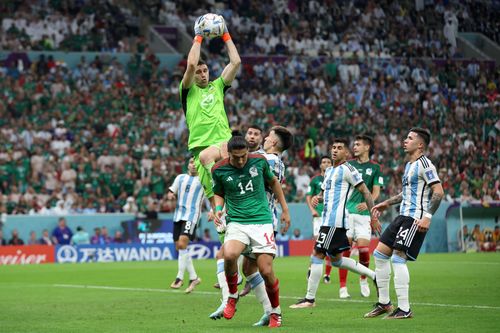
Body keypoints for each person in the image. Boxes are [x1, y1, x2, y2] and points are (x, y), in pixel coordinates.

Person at [290, 138, 380, 309]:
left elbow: (366, 192)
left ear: (346, 153)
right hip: (327, 221)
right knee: (337, 260)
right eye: (333, 147)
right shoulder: (330, 171)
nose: (335, 150)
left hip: (334, 222)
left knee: (317, 255)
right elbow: (325, 192)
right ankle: (374, 276)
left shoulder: (348, 169)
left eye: (340, 148)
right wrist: (318, 197)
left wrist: (373, 216)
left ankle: (309, 299)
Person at [364, 127, 444, 319]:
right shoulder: (409, 165)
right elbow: (406, 194)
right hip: (402, 215)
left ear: (420, 145)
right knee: (380, 254)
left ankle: (405, 309)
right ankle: (384, 303)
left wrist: (428, 216)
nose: (405, 140)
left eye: (410, 138)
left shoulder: (425, 164)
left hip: (414, 217)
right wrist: (386, 202)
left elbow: (439, 192)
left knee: (398, 258)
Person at [211, 136, 290, 327]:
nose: (240, 161)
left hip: (261, 221)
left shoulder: (259, 161)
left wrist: (285, 210)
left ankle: (276, 312)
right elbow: (219, 193)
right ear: (228, 153)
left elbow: (274, 183)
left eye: (243, 156)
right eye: (236, 157)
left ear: (248, 152)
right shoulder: (218, 169)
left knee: (266, 270)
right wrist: (218, 209)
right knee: (229, 255)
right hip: (237, 221)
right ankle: (232, 296)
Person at [179, 15, 241, 209]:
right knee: (217, 204)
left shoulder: (218, 86)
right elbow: (190, 65)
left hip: (223, 143)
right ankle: (225, 238)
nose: (203, 74)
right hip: (200, 149)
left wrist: (226, 35)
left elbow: (236, 62)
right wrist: (198, 37)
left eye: (205, 70)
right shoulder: (187, 90)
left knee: (235, 196)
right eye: (199, 72)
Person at [339, 135, 383, 299]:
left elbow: (376, 191)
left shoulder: (375, 168)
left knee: (364, 250)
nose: (354, 147)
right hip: (348, 212)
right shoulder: (348, 165)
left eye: (358, 144)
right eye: (354, 144)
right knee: (345, 251)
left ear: (367, 147)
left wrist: (368, 202)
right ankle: (343, 287)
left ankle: (363, 279)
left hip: (364, 215)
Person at [168, 157, 204, 293]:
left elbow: (212, 195)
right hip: (178, 216)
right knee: (179, 247)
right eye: (191, 162)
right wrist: (170, 195)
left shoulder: (204, 179)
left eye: (196, 163)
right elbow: (172, 191)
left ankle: (179, 277)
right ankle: (194, 277)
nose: (194, 165)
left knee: (182, 244)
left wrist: (213, 211)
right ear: (187, 165)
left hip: (192, 216)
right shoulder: (180, 178)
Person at [306, 155, 333, 284]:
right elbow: (308, 196)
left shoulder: (335, 178)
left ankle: (327, 274)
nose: (326, 164)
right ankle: (312, 267)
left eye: (329, 162)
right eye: (324, 162)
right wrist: (312, 210)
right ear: (320, 165)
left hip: (331, 215)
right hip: (319, 216)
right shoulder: (315, 180)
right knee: (318, 243)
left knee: (329, 245)